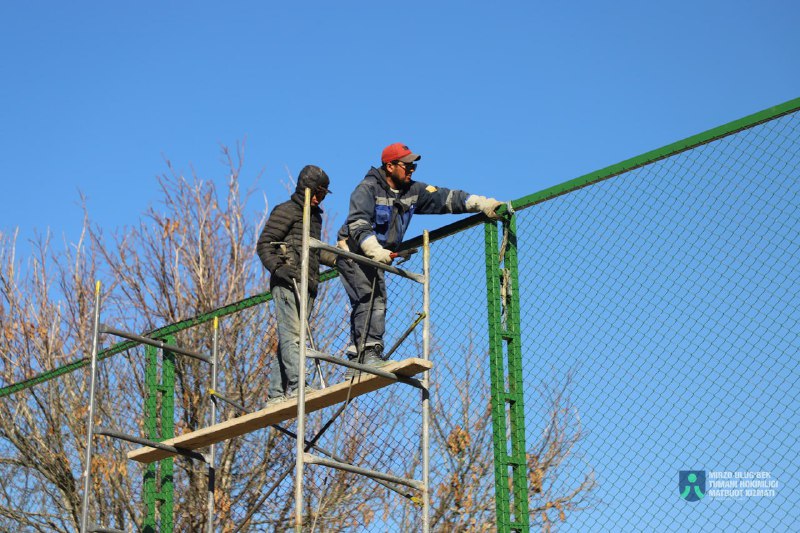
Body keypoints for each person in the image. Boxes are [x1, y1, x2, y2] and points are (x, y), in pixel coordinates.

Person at [336, 142, 504, 373]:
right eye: (407, 165)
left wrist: (482, 203)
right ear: (390, 166)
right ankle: (366, 356)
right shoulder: (367, 189)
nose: (411, 169)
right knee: (371, 298)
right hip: (354, 252)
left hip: (377, 256)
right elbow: (358, 223)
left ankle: (358, 360)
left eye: (413, 165)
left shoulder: (412, 191)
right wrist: (375, 250)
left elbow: (447, 198)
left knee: (375, 299)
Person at [257, 165, 336, 404]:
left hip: (309, 283)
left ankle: (275, 393)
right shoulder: (287, 211)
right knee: (293, 336)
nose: (321, 199)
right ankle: (299, 384)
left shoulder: (314, 217)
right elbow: (264, 244)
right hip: (288, 281)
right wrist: (279, 269)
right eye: (319, 193)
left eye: (324, 195)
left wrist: (339, 259)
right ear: (308, 190)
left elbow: (314, 252)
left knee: (290, 337)